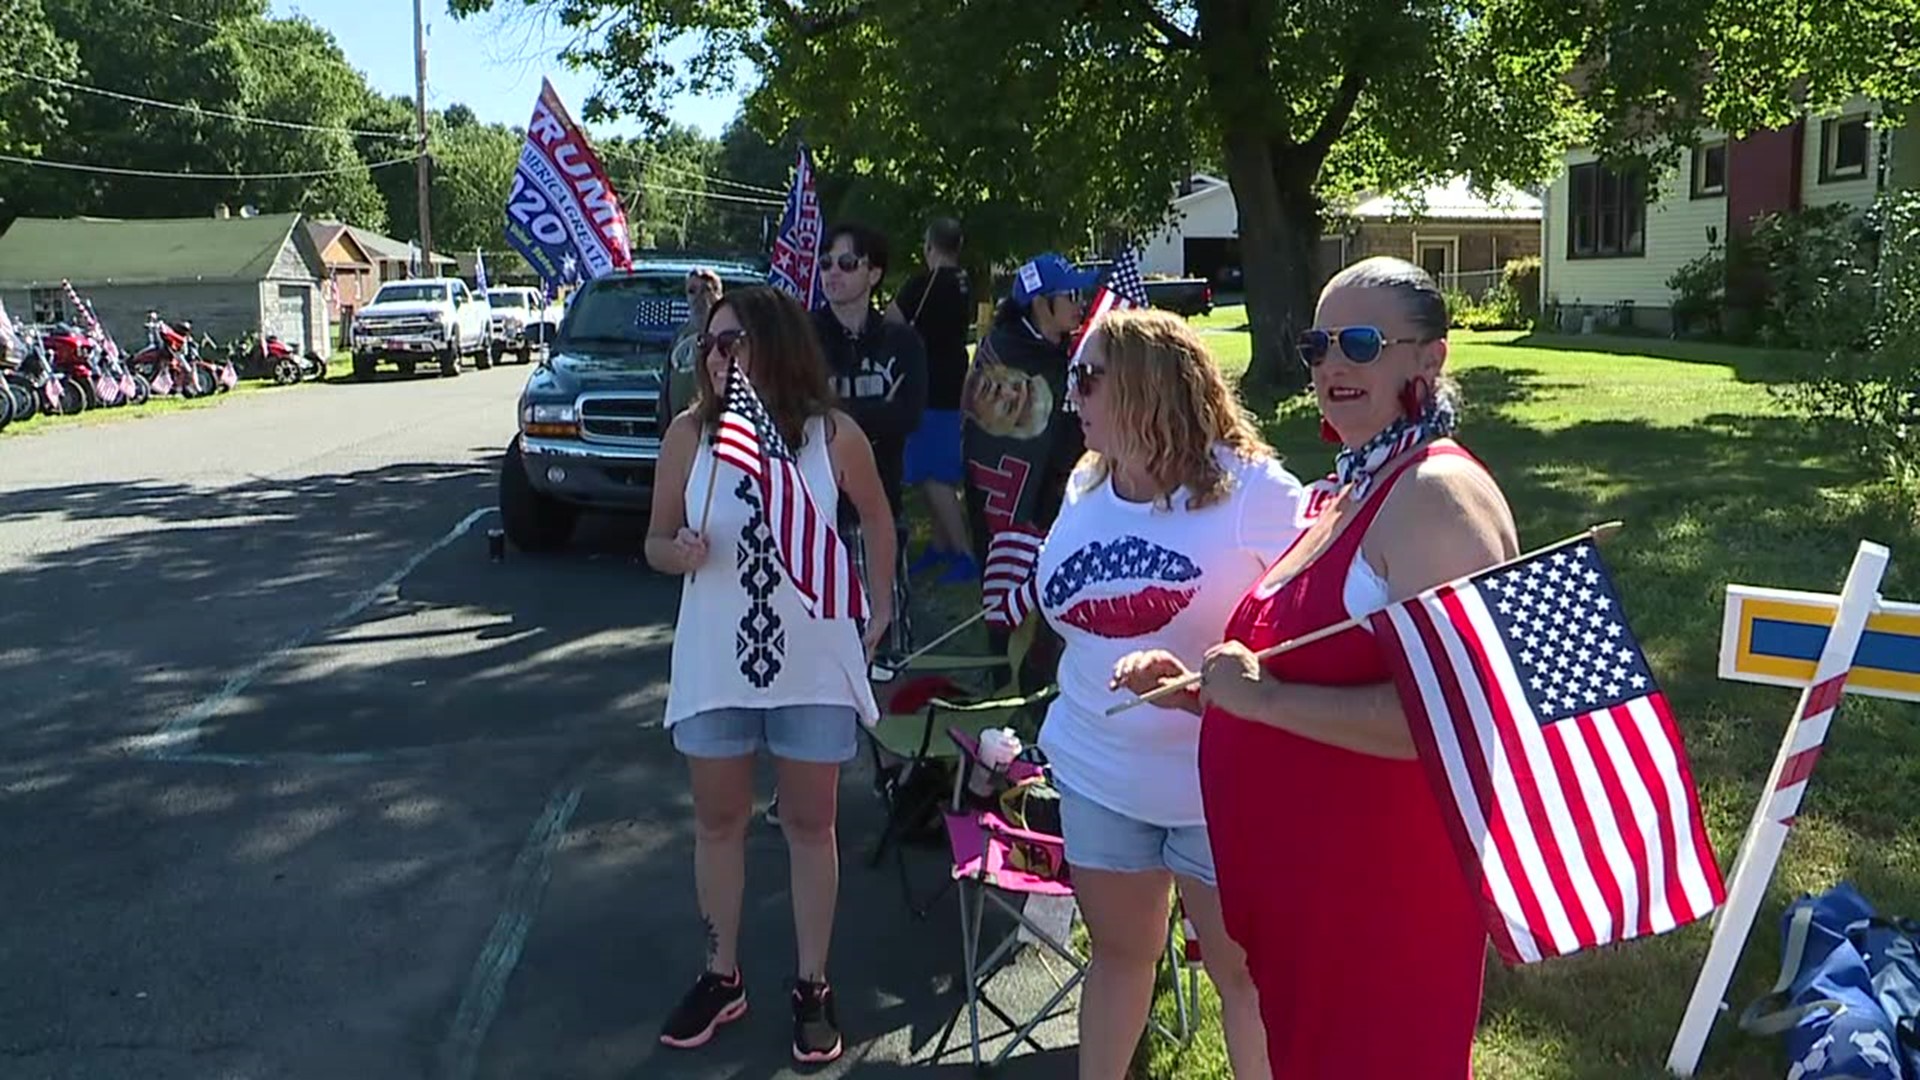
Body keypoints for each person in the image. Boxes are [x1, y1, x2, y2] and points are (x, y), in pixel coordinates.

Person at [1112, 256, 1520, 1078]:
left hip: (1381, 901)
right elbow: (1309, 670)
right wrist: (1208, 694)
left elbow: (1462, 719)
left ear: (1429, 358)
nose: (1333, 365)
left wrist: (1262, 701)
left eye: (1361, 343)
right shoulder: (1352, 487)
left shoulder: (1437, 496)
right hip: (1309, 904)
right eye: (1317, 345)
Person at [1039, 308, 1297, 1080]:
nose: (1071, 395)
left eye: (1087, 378)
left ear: (1150, 387)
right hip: (1098, 775)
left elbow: (1310, 628)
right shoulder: (1087, 481)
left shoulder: (1256, 493)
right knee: (1120, 957)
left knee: (1243, 981)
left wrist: (1196, 682)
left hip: (1215, 791)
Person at [645, 285, 897, 1066]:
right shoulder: (690, 438)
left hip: (813, 663)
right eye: (711, 346)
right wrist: (674, 550)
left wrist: (879, 605)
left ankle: (811, 984)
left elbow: (880, 518)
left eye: (734, 343)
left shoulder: (831, 435)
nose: (718, 358)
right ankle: (722, 975)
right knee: (718, 823)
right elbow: (654, 539)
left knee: (809, 824)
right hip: (718, 662)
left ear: (773, 348)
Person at [962, 252, 1095, 684]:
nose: (1081, 304)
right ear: (1041, 304)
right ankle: (1012, 682)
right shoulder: (1007, 352)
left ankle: (1052, 673)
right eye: (1071, 295)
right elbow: (992, 440)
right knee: (1012, 588)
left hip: (1056, 491)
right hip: (1016, 501)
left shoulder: (1053, 350)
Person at [813, 222, 927, 660]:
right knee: (824, 653)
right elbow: (800, 420)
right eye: (825, 264)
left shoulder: (903, 342)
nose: (832, 274)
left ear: (873, 273)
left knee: (884, 653)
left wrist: (838, 421)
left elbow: (907, 415)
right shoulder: (803, 339)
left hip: (880, 512)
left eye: (845, 263)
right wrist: (868, 420)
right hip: (817, 516)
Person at [888, 217, 976, 583]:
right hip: (955, 378)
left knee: (932, 474)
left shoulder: (923, 285)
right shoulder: (964, 282)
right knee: (937, 469)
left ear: (929, 246)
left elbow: (891, 321)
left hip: (930, 385)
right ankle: (941, 544)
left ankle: (966, 556)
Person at [668, 267, 724, 410]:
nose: (699, 297)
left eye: (706, 290)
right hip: (679, 426)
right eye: (692, 291)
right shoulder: (680, 334)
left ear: (718, 295)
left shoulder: (726, 335)